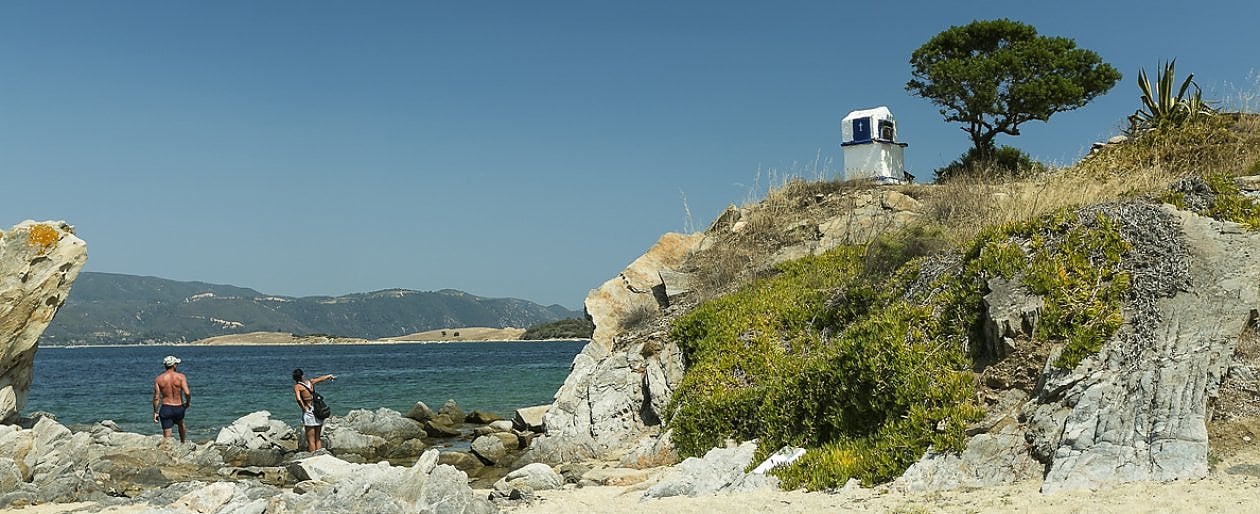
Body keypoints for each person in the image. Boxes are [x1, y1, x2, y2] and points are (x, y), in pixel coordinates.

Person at [293, 368, 335, 452]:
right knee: (317, 438)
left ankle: (313, 456)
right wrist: (328, 376)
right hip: (317, 409)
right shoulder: (310, 382)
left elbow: (298, 398)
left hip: (309, 411)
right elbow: (320, 379)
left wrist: (303, 407)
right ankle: (320, 455)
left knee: (311, 440)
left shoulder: (297, 386)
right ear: (302, 375)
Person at [153, 355, 191, 444]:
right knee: (181, 423)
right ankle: (183, 442)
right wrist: (187, 403)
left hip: (166, 408)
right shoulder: (181, 377)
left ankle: (168, 450)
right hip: (178, 407)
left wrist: (155, 411)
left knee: (167, 433)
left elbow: (156, 397)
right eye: (176, 364)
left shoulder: (159, 379)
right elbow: (187, 393)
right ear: (174, 365)